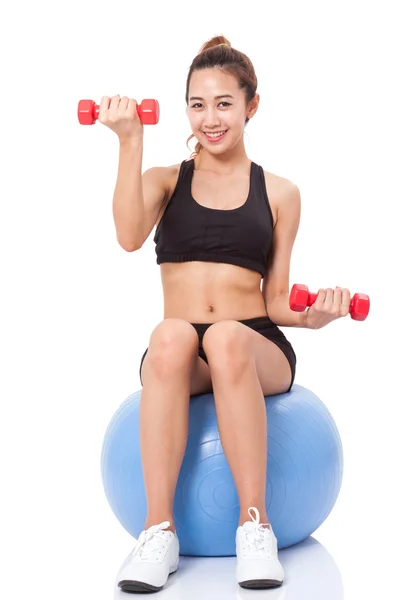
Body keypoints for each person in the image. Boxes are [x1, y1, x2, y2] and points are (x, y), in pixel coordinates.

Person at [99, 35, 351, 593]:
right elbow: (126, 236)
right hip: (185, 351)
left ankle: (253, 524)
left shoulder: (281, 192)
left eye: (223, 104)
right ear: (185, 108)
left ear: (250, 106)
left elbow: (278, 298)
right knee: (169, 334)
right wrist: (129, 141)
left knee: (229, 337)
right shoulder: (166, 181)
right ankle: (158, 530)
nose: (210, 118)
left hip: (253, 343)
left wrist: (313, 317)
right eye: (197, 104)